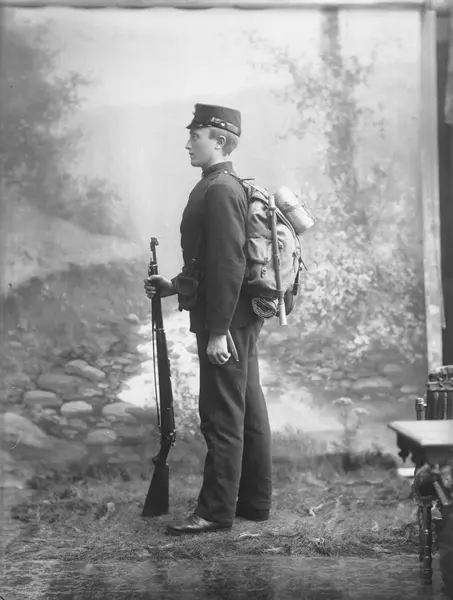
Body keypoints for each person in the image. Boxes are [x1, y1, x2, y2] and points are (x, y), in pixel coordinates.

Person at [144, 103, 272, 535]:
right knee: (247, 407)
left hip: (226, 319)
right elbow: (207, 260)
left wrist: (218, 331)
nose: (187, 144)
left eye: (194, 136)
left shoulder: (219, 190)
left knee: (221, 414)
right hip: (236, 315)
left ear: (218, 140)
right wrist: (175, 285)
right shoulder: (223, 185)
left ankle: (215, 512)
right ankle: (254, 502)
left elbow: (229, 265)